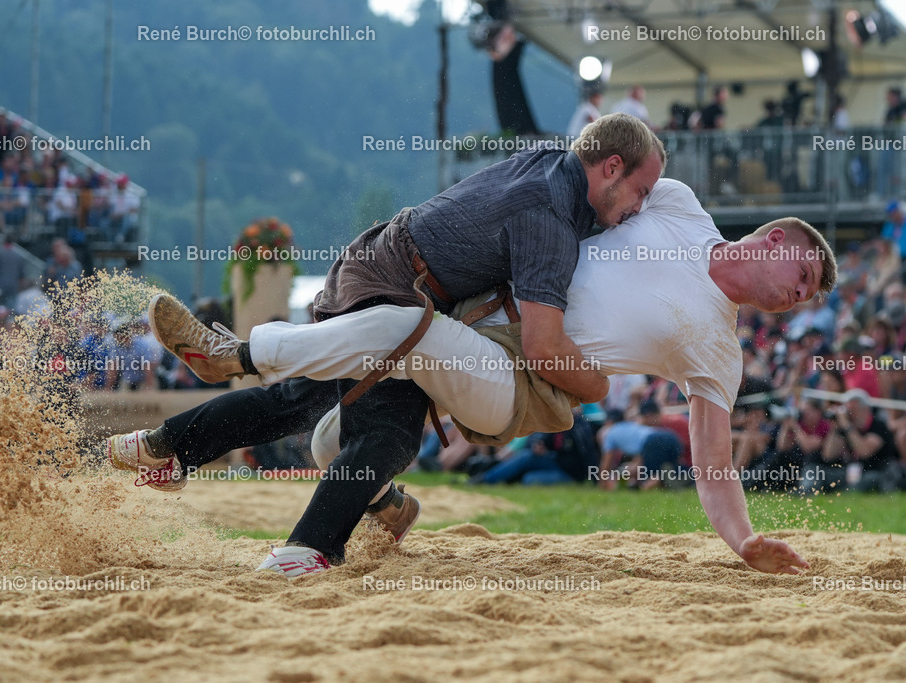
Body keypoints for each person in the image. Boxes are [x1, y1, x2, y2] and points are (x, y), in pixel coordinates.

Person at [113, 177, 834, 576]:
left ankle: (234, 358)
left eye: (807, 296)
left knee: (396, 336)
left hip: (520, 375)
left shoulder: (721, 353)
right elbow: (572, 198)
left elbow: (713, 464)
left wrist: (743, 542)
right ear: (772, 239)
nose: (798, 294)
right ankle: (178, 450)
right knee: (324, 423)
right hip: (479, 306)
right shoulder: (675, 202)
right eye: (801, 275)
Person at [108, 114, 666, 575]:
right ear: (610, 167)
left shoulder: (553, 168)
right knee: (388, 432)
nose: (639, 206)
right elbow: (545, 348)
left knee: (304, 401)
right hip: (396, 290)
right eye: (640, 191)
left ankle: (170, 445)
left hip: (385, 268)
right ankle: (306, 536)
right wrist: (596, 385)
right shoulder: (550, 214)